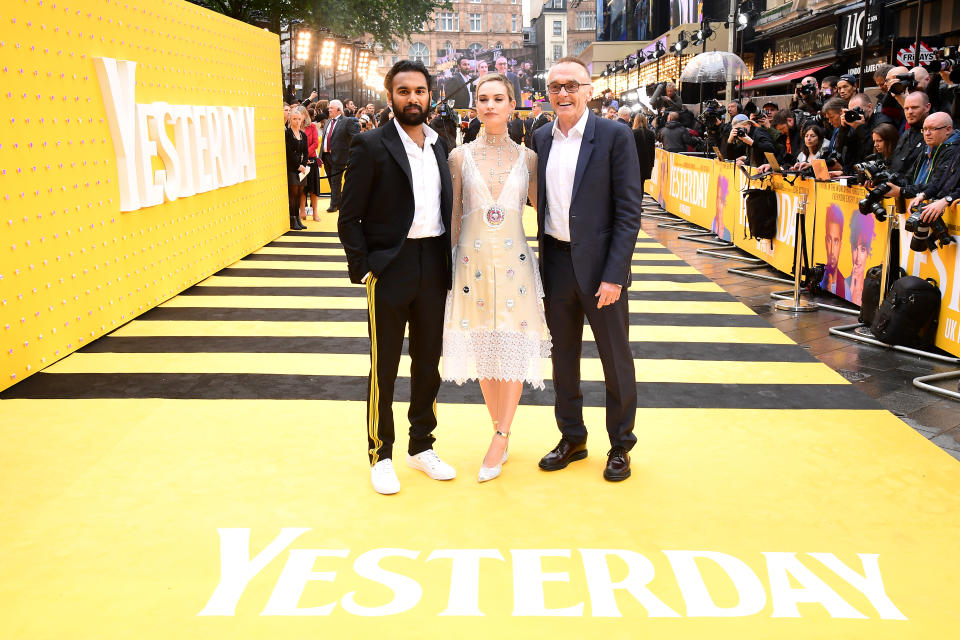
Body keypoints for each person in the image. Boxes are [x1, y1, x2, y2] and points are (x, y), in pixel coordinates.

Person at [338, 60, 455, 495]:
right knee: (384, 366)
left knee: (428, 363)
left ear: (430, 95)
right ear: (391, 97)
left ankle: (421, 446)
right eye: (403, 91)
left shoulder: (440, 145)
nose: (412, 98)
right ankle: (380, 453)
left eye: (419, 91)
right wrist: (366, 266)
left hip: (433, 263)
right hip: (391, 266)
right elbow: (349, 217)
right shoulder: (369, 145)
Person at [532, 57, 643, 482]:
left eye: (572, 86)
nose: (563, 93)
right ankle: (572, 437)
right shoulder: (540, 137)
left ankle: (620, 445)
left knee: (616, 360)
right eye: (556, 85)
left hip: (602, 270)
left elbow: (628, 211)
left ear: (588, 89)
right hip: (556, 264)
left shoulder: (614, 136)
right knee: (564, 359)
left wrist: (615, 274)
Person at [442, 73, 551, 483]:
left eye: (498, 98)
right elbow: (454, 215)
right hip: (470, 263)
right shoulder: (459, 157)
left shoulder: (529, 159)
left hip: (516, 266)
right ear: (475, 107)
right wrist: (445, 266)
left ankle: (501, 435)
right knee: (483, 344)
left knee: (515, 344)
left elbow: (544, 214)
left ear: (512, 105)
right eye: (483, 99)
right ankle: (500, 431)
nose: (490, 105)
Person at [320, 99, 361, 213]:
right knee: (331, 180)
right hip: (326, 156)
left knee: (335, 181)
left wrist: (353, 153)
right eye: (329, 108)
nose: (329, 110)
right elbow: (325, 138)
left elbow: (355, 138)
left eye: (331, 108)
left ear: (338, 109)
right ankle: (339, 202)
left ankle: (334, 205)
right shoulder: (328, 121)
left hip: (340, 157)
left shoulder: (347, 121)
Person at [285, 108, 309, 230]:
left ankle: (298, 219)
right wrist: (297, 166)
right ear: (290, 119)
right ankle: (292, 218)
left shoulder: (303, 135)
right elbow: (288, 152)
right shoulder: (287, 134)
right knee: (293, 195)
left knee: (300, 194)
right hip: (292, 168)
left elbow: (306, 151)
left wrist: (304, 165)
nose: (297, 121)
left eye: (299, 119)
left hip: (302, 170)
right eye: (294, 119)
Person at [845, 212, 876, 306]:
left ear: (868, 252)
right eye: (855, 248)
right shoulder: (844, 284)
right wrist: (851, 288)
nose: (858, 258)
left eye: (862, 249)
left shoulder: (872, 288)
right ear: (851, 249)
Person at [300, 106, 321, 223]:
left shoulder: (312, 126)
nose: (299, 117)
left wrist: (306, 155)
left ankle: (315, 213)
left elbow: (315, 143)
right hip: (300, 162)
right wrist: (301, 158)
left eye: (301, 114)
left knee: (314, 189)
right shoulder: (294, 126)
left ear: (305, 115)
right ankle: (302, 212)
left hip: (311, 160)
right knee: (302, 188)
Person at [820, 205, 846, 297]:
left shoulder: (846, 289)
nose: (831, 249)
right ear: (825, 241)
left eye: (836, 241)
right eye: (829, 240)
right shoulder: (817, 279)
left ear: (840, 245)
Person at [632, 113, 655, 197]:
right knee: (641, 183)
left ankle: (636, 203)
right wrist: (652, 164)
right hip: (646, 163)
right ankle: (639, 203)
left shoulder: (632, 133)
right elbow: (652, 151)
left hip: (635, 163)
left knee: (635, 185)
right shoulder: (651, 134)